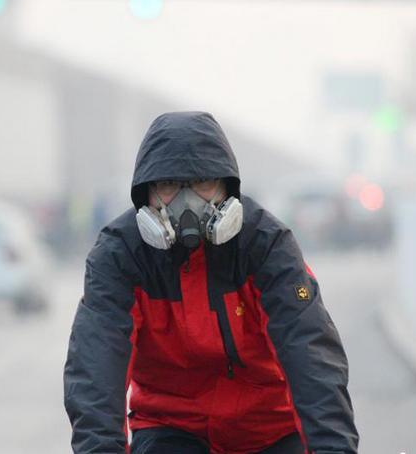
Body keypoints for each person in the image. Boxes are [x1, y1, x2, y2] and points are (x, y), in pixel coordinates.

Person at [64, 112, 358, 454]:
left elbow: (309, 352)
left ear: (226, 187)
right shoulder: (120, 255)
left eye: (203, 182)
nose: (187, 203)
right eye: (169, 185)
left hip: (269, 429)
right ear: (148, 193)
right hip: (171, 428)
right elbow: (95, 367)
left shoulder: (266, 246)